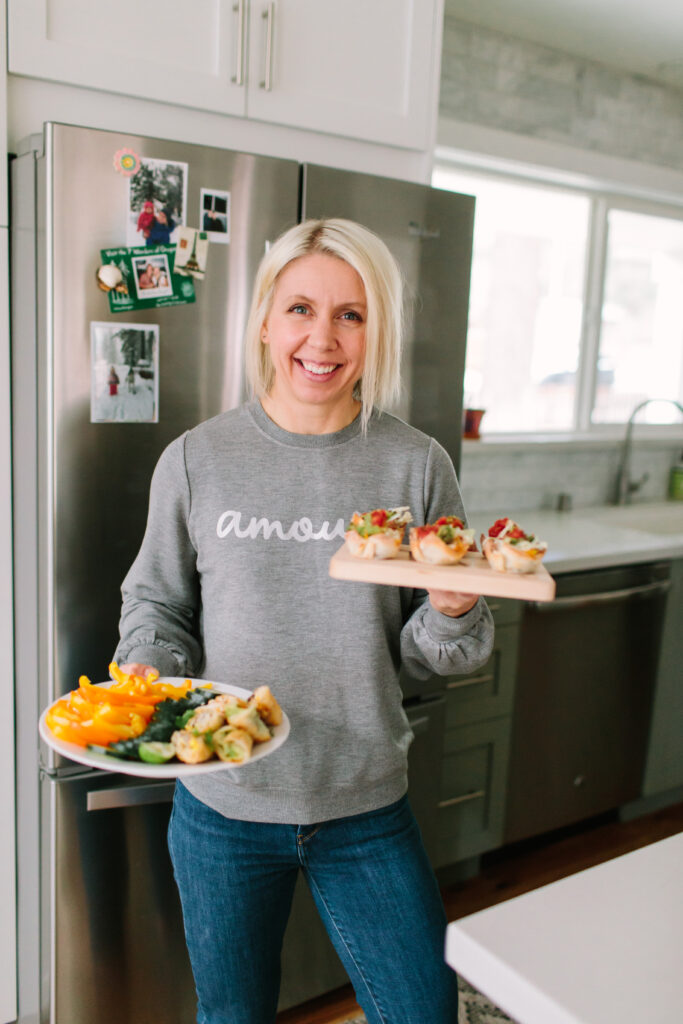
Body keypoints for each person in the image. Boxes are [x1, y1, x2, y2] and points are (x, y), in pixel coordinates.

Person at [114, 218, 494, 1024]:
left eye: (350, 314)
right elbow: (157, 602)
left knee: (423, 1012)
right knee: (232, 1015)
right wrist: (148, 660)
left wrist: (454, 609)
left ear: (373, 330)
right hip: (225, 806)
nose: (322, 338)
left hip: (363, 804)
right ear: (263, 321)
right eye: (300, 309)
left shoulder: (414, 464)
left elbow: (429, 656)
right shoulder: (196, 459)